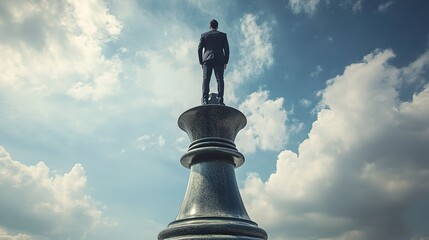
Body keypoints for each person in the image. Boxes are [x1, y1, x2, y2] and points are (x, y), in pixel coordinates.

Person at [198, 19, 229, 105]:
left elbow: (199, 49)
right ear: (217, 26)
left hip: (207, 60)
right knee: (220, 80)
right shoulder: (223, 35)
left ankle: (205, 100)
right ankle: (220, 100)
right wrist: (225, 61)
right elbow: (226, 49)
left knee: (206, 79)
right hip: (219, 59)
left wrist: (201, 61)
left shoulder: (204, 35)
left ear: (210, 26)